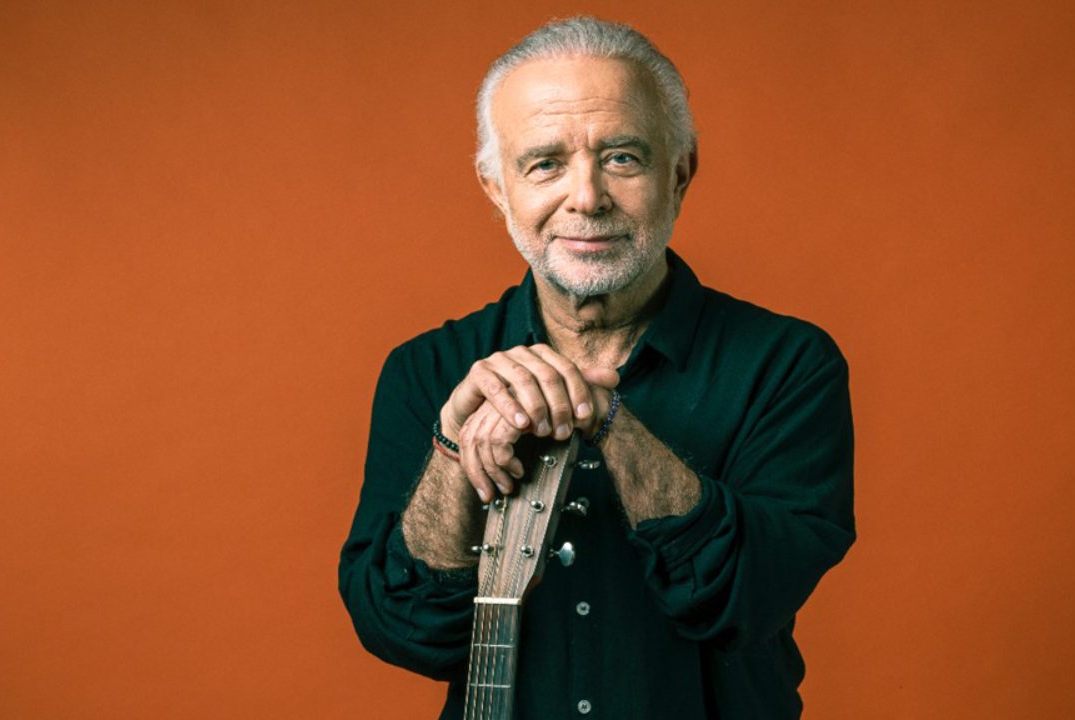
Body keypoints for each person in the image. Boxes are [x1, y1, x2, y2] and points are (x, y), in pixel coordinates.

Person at [339, 16, 855, 719]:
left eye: (622, 158)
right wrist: (452, 451)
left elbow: (742, 601)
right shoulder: (426, 371)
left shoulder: (788, 365)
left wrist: (604, 418)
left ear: (679, 174)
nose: (586, 197)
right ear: (497, 188)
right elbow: (402, 630)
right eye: (545, 164)